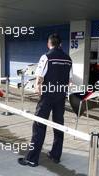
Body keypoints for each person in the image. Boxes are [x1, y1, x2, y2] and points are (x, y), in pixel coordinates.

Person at [18, 33, 72, 167]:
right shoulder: (68, 59)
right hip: (60, 95)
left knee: (39, 125)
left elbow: (40, 76)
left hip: (47, 96)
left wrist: (38, 87)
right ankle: (55, 155)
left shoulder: (46, 56)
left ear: (49, 44)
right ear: (60, 44)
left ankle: (32, 159)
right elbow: (70, 80)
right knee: (58, 125)